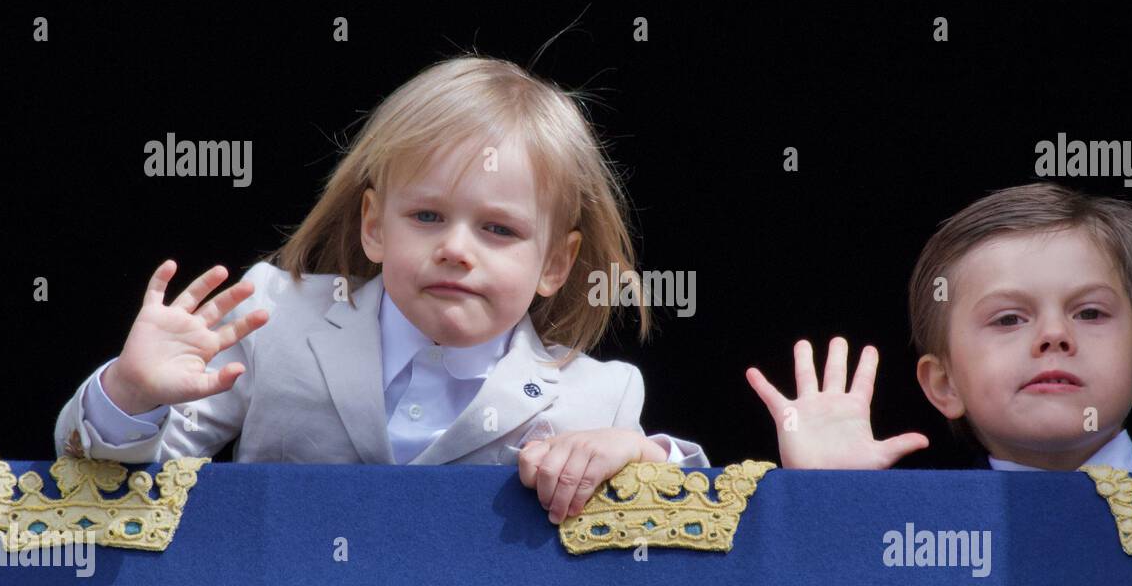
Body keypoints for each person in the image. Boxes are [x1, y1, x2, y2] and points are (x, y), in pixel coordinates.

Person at [54, 54, 706, 523]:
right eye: (427, 216)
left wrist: (642, 457)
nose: (455, 246)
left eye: (499, 229)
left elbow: (677, 540)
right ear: (374, 227)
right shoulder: (274, 318)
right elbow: (110, 489)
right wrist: (131, 395)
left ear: (556, 265)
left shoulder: (599, 397)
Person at [746, 183, 1132, 472]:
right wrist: (831, 500)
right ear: (944, 384)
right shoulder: (916, 534)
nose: (1055, 334)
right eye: (1009, 318)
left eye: (1089, 313)